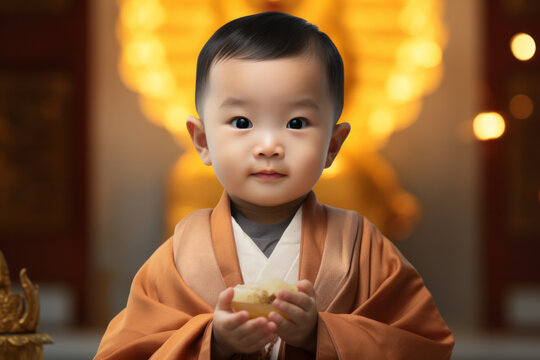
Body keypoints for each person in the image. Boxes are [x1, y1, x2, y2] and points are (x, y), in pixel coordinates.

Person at [95, 11, 454, 360]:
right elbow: (125, 352)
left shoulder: (363, 250)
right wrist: (211, 342)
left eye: (296, 123)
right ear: (202, 141)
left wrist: (321, 334)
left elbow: (423, 344)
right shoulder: (177, 259)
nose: (268, 145)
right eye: (241, 121)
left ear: (333, 144)